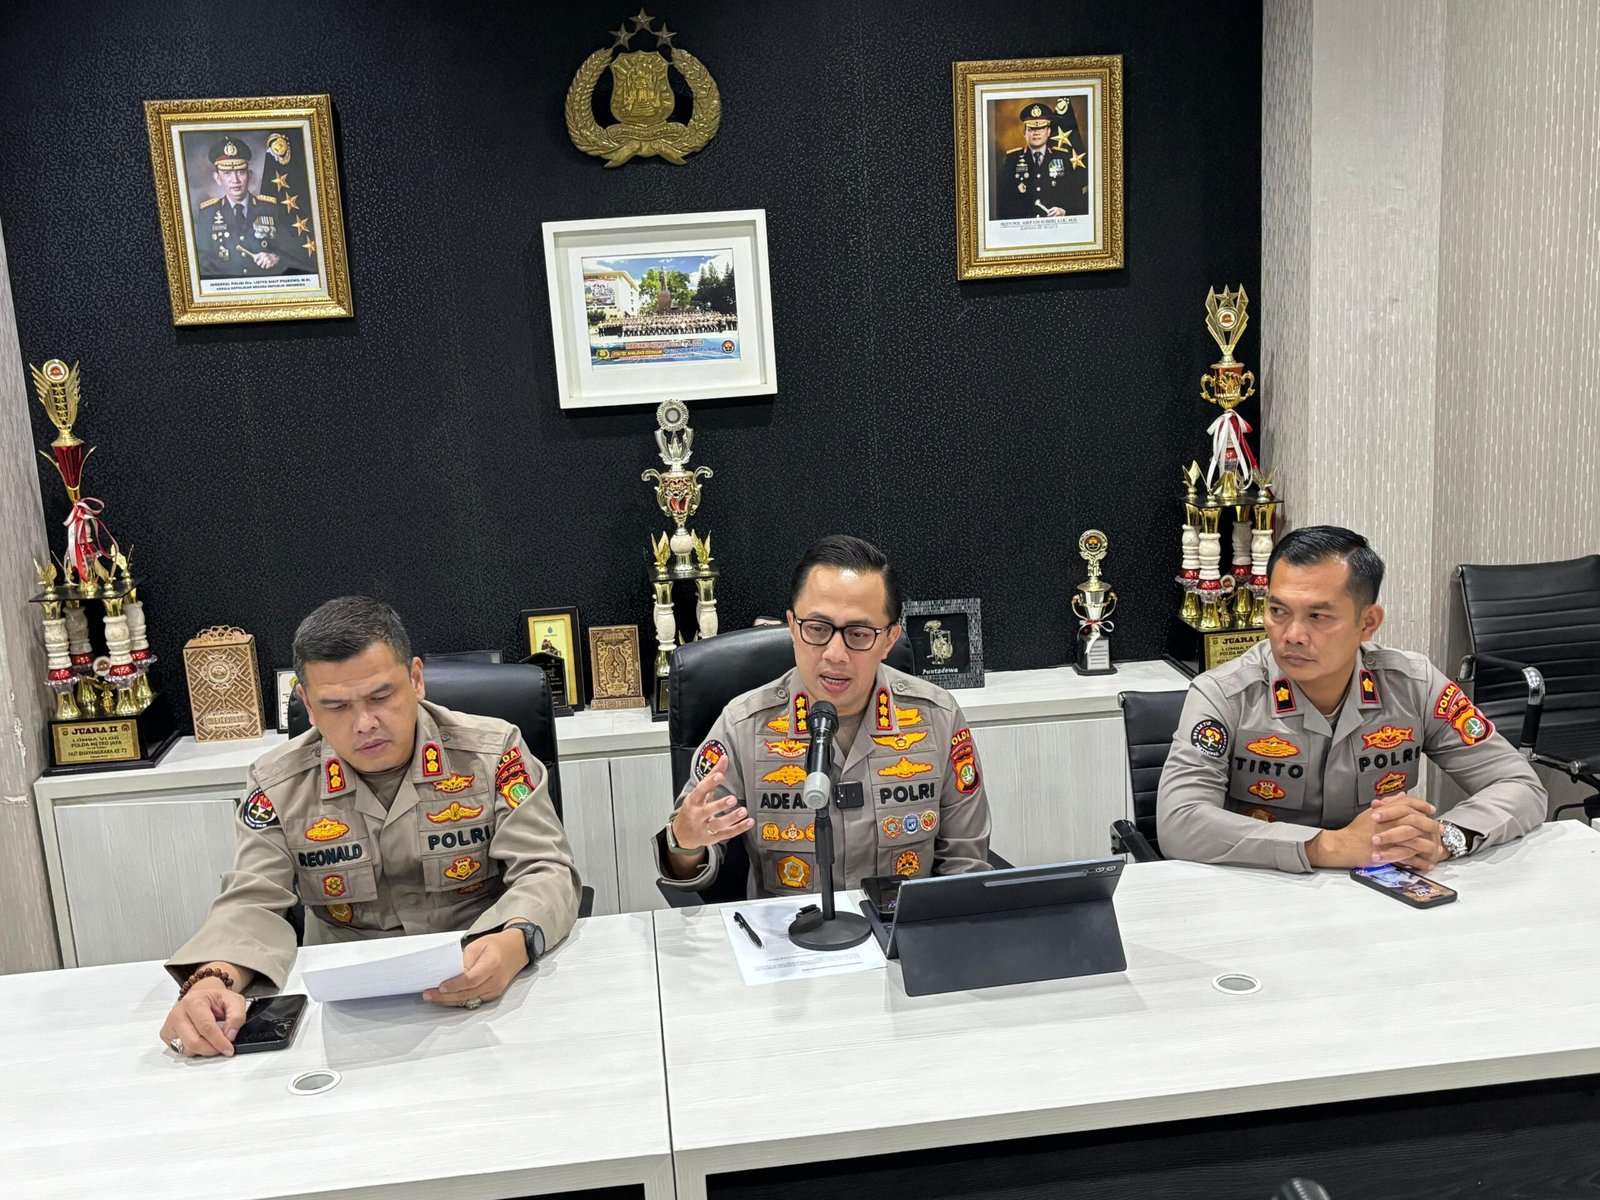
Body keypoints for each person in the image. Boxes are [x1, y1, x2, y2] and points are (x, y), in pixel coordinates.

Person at [158, 596, 581, 1058]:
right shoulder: (277, 783)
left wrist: (516, 939)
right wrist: (212, 980)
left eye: (381, 697)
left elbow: (545, 869)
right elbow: (252, 900)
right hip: (348, 1005)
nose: (364, 724)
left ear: (416, 679)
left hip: (483, 973)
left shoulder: (493, 752)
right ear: (308, 705)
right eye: (336, 706)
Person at [1158, 526, 1547, 873]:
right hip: (1261, 889)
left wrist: (1445, 837)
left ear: (1368, 622)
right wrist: (1327, 847)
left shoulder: (1414, 685)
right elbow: (1179, 822)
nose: (1292, 635)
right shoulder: (1223, 694)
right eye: (1278, 611)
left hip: (1379, 890)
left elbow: (1519, 784)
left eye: (1318, 617)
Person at [657, 535, 992, 898]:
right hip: (789, 929)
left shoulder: (937, 718)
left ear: (889, 640)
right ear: (792, 626)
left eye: (858, 634)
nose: (835, 654)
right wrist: (685, 844)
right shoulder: (743, 726)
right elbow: (688, 866)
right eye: (817, 629)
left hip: (899, 927)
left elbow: (965, 863)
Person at [192, 134, 311, 279]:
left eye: (241, 172)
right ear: (217, 178)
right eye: (227, 173)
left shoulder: (270, 208)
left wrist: (275, 257)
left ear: (249, 175)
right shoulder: (208, 214)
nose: (235, 180)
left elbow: (292, 250)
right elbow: (204, 264)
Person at [994, 100, 1086, 221]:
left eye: (1041, 128)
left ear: (1048, 132)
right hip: (1025, 227)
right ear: (1024, 133)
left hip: (1056, 225)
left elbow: (1075, 195)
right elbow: (1003, 199)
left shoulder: (1063, 157)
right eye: (1031, 129)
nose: (1036, 133)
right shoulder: (1013, 159)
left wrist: (1064, 210)